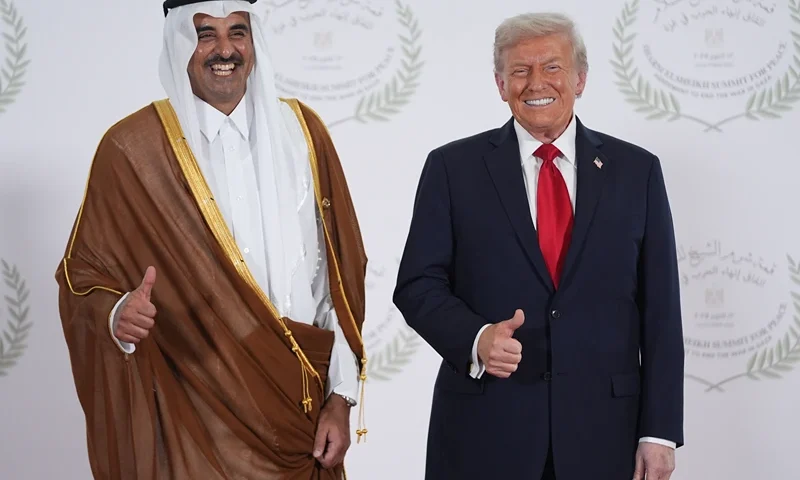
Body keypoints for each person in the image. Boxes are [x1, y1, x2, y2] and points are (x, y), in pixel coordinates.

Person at [54, 1, 369, 478]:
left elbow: (337, 280)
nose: (225, 50)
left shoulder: (302, 135)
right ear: (180, 43)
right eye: (206, 35)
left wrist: (342, 398)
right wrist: (117, 313)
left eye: (237, 32)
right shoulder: (132, 149)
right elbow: (81, 278)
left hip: (297, 409)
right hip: (193, 410)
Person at [393, 12, 684, 480]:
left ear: (580, 79)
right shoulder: (452, 168)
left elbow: (661, 311)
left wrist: (659, 432)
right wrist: (476, 337)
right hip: (483, 434)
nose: (536, 83)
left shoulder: (637, 172)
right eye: (520, 71)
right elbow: (416, 285)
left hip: (605, 436)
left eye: (552, 67)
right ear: (499, 83)